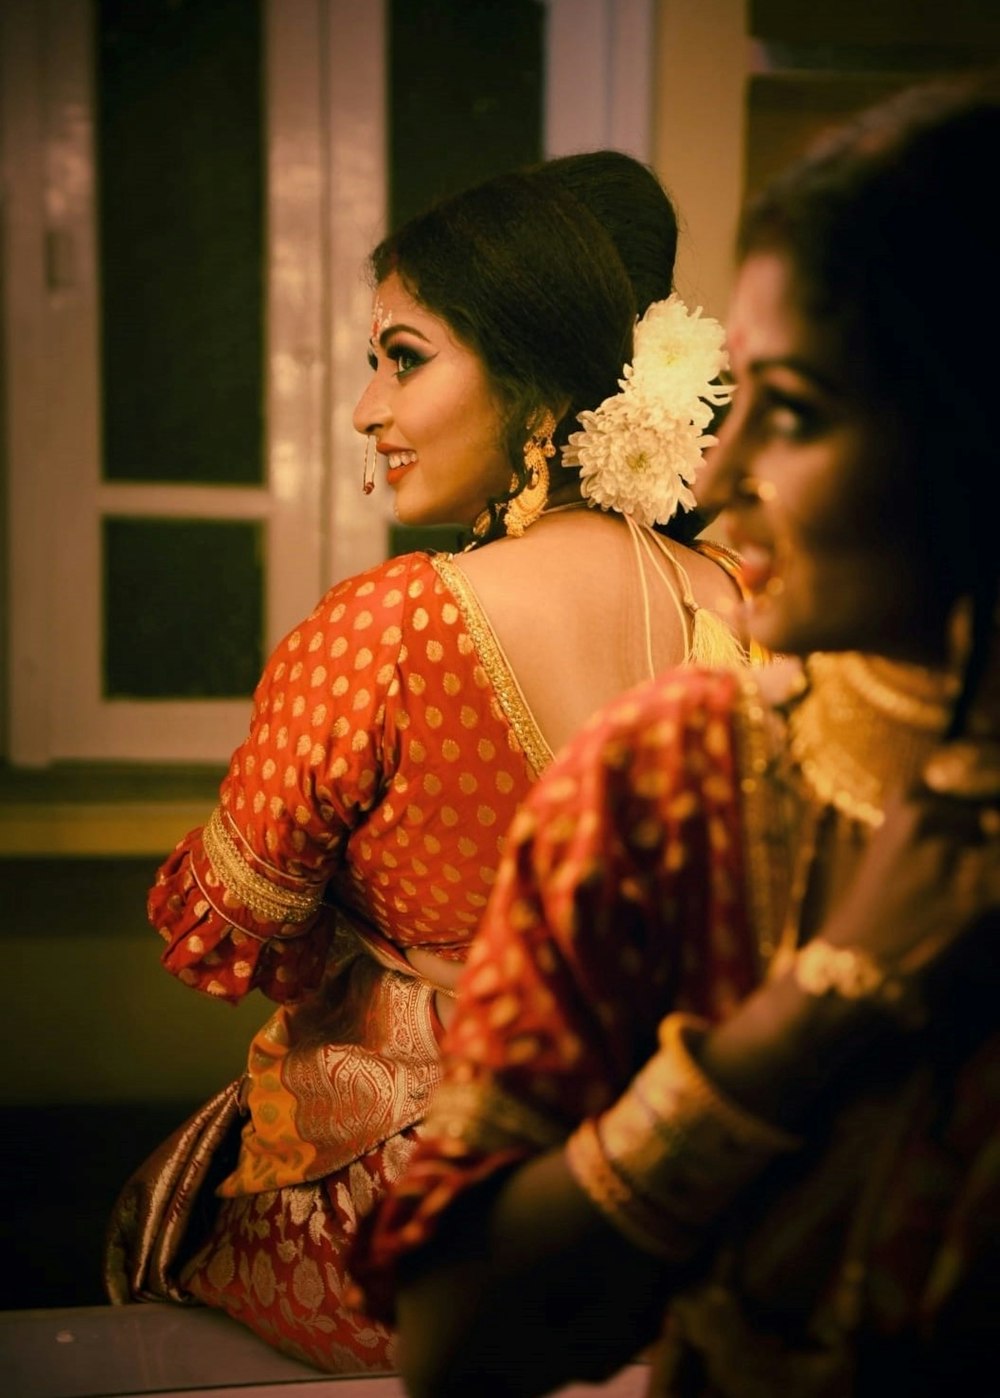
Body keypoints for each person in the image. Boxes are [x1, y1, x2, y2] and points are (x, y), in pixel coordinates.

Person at [349, 77, 1000, 1397]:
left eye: (800, 409)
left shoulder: (401, 618)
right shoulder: (681, 774)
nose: (724, 465)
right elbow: (455, 1339)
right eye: (736, 392)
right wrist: (809, 1011)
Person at [102, 149, 756, 1372]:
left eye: (403, 357)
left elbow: (240, 931)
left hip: (434, 1228)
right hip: (694, 1211)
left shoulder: (393, 629)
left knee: (161, 1217)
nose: (366, 411)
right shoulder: (749, 599)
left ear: (532, 386)